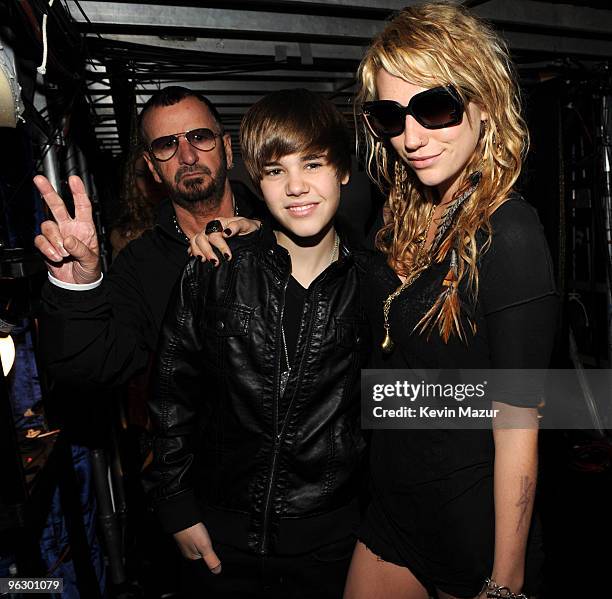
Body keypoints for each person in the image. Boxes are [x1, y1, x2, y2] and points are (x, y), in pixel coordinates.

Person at [341, 3, 558, 599]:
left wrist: (505, 581)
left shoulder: (509, 233)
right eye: (390, 115)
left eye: (434, 109)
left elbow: (517, 421)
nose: (411, 139)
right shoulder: (407, 212)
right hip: (394, 510)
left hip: (470, 532)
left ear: (483, 103)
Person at [142, 88, 371, 599]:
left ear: (343, 170)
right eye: (274, 171)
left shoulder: (375, 287)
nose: (296, 186)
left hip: (333, 548)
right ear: (255, 182)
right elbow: (171, 397)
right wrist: (176, 505)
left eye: (312, 163)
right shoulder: (215, 269)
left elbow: (392, 416)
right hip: (221, 543)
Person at [34, 86, 263, 389]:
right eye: (167, 144)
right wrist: (76, 291)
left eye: (200, 136)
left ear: (227, 148)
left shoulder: (281, 230)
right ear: (153, 168)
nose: (188, 156)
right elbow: (86, 368)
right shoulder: (140, 265)